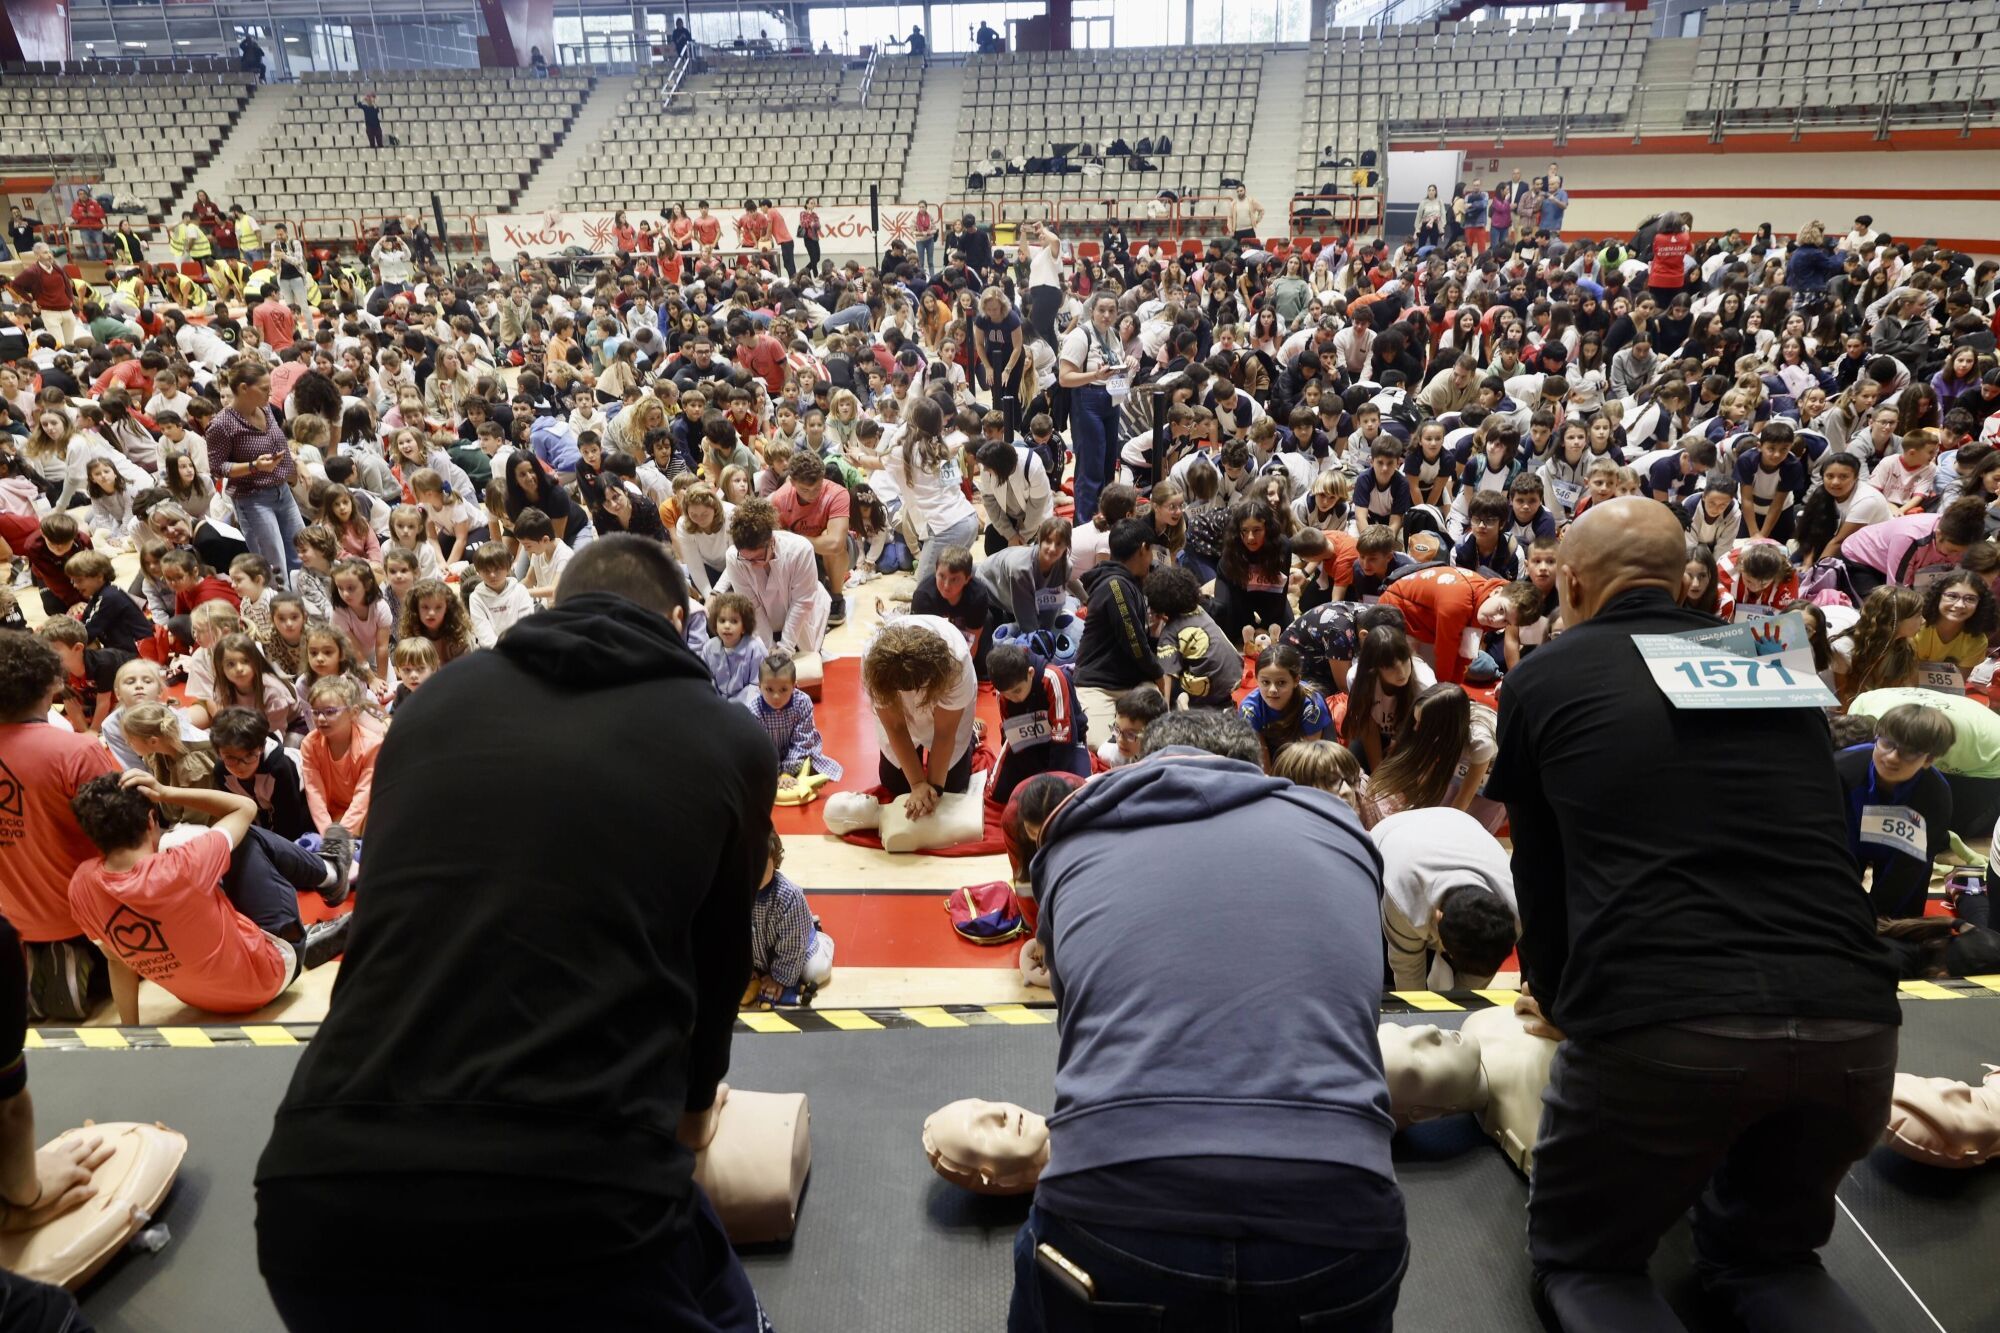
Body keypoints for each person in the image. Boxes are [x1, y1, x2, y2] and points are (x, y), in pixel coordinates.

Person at [256, 536, 777, 1329]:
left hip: (323, 1180)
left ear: (553, 607)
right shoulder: (725, 736)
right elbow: (718, 963)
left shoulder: (434, 704)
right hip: (572, 1197)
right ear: (679, 620)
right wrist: (696, 1114)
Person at [1485, 497, 1900, 1330]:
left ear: (1568, 582)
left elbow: (1541, 866)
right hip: (1852, 1018)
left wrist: (1564, 1004)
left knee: (1594, 1266)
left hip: (1663, 1024)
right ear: (1686, 580)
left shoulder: (1544, 675)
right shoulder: (1763, 652)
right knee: (1774, 1261)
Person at [1014, 708, 1406, 1330]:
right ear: (1259, 772)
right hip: (1340, 1217)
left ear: (1145, 767)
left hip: (1117, 1209)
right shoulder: (1341, 836)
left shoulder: (1073, 841)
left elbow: (1077, 1015)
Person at [67, 770, 353, 1023]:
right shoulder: (183, 865)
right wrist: (167, 792)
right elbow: (244, 808)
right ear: (151, 820)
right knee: (245, 839)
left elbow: (117, 961)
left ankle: (313, 913)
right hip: (271, 975)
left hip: (202, 999)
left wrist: (131, 1031)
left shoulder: (81, 885)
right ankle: (330, 875)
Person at [0, 631, 122, 1021]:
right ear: (50, 681)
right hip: (89, 926)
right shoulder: (78, 750)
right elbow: (128, 842)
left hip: (12, 927)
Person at [1368, 806, 1518, 991]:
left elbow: (1479, 976)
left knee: (1467, 962)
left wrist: (1461, 1005)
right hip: (1392, 836)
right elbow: (1407, 969)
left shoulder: (1514, 910)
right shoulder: (1404, 900)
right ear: (1438, 917)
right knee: (1388, 975)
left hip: (1458, 824)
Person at [1835, 703, 1955, 920]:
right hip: (1847, 844)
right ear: (1876, 737)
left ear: (1929, 759)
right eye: (1887, 743)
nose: (1891, 757)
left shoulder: (1936, 796)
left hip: (1901, 856)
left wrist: (1876, 919)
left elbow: (1908, 868)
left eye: (1909, 752)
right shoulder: (1841, 769)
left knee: (1899, 916)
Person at [863, 616, 979, 817]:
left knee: (952, 786)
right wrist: (917, 784)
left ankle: (973, 736)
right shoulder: (872, 663)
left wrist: (933, 791)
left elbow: (944, 733)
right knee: (895, 785)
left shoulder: (956, 662)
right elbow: (896, 726)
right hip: (897, 706)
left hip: (944, 710)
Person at [206, 362, 304, 577]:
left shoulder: (266, 409)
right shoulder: (222, 424)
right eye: (264, 388)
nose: (270, 393)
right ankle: (280, 607)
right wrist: (254, 466)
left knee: (302, 553)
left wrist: (296, 467)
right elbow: (218, 467)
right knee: (274, 566)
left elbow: (280, 442)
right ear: (243, 388)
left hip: (282, 492)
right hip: (253, 499)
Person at [1072, 518, 1162, 750]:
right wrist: (1159, 675)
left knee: (1157, 736)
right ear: (1143, 548)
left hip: (1132, 683)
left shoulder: (1130, 582)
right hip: (1097, 684)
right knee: (1101, 746)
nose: (1151, 559)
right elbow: (1134, 642)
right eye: (1151, 551)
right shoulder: (1116, 586)